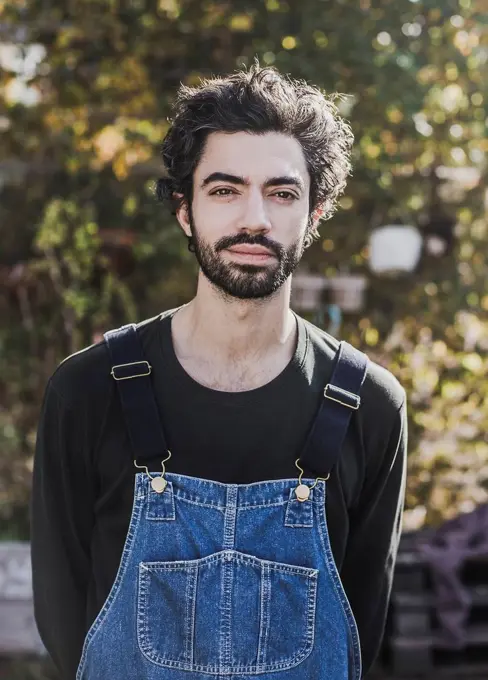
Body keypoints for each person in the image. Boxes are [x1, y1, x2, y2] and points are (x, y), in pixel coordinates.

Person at [31, 64, 407, 680]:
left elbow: (358, 631)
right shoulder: (87, 392)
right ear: (186, 210)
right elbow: (62, 615)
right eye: (225, 189)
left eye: (282, 193)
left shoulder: (370, 406)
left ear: (314, 214)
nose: (254, 218)